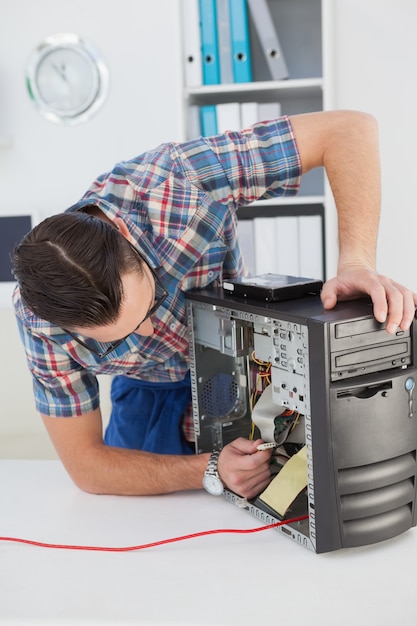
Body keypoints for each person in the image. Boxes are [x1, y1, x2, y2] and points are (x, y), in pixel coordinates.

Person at [12, 110, 417, 500]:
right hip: (145, 399)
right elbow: (88, 467)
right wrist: (209, 469)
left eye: (150, 305)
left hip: (245, 370)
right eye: (121, 337)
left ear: (124, 235)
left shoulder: (178, 180)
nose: (149, 332)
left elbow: (349, 129)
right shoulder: (39, 320)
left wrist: (357, 263)